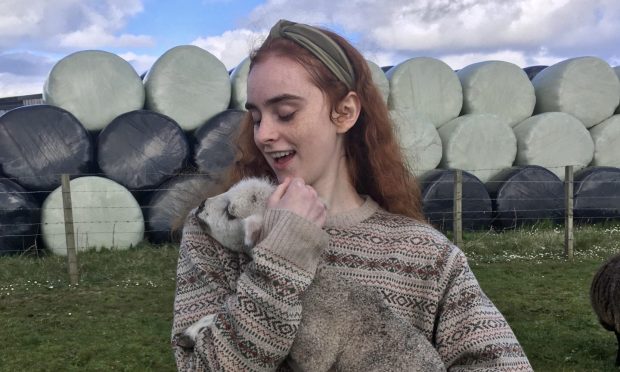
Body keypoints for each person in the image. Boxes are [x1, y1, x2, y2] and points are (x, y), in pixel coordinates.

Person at [172, 19, 533, 371]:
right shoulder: (218, 234)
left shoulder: (426, 255)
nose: (263, 133)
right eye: (256, 117)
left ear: (344, 112)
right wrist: (280, 260)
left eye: (285, 113)